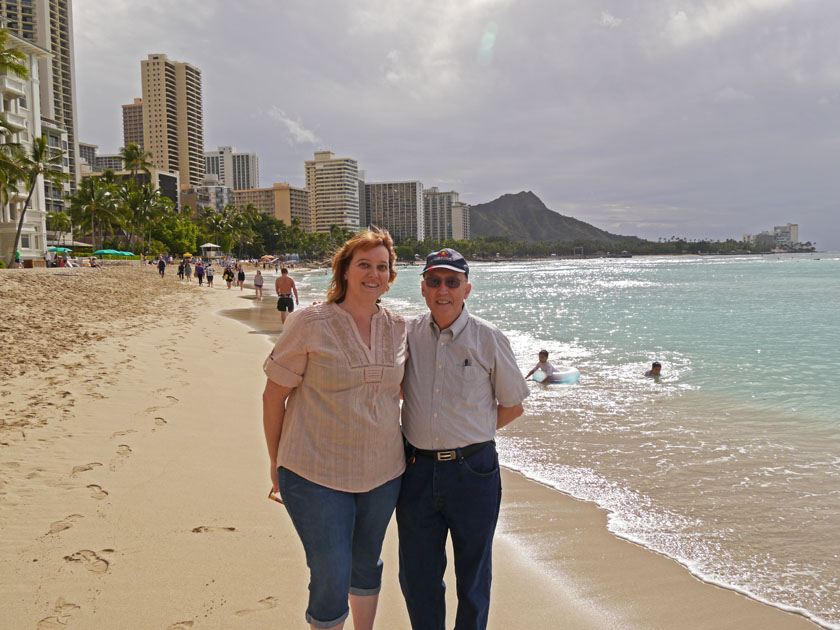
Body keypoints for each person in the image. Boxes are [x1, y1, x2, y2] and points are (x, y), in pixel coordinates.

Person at [262, 229, 406, 630]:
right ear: (343, 270)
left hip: (383, 473)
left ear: (391, 275)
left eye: (382, 266)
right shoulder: (309, 322)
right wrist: (275, 462)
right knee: (330, 570)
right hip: (313, 471)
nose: (373, 273)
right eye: (364, 264)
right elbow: (273, 397)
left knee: (366, 562)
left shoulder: (399, 328)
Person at [397, 247, 529, 630]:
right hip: (416, 470)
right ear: (422, 287)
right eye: (434, 281)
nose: (443, 290)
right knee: (417, 577)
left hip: (474, 472)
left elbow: (513, 405)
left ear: (466, 289)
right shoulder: (405, 334)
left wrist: (472, 434)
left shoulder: (488, 339)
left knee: (472, 577)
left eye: (452, 282)